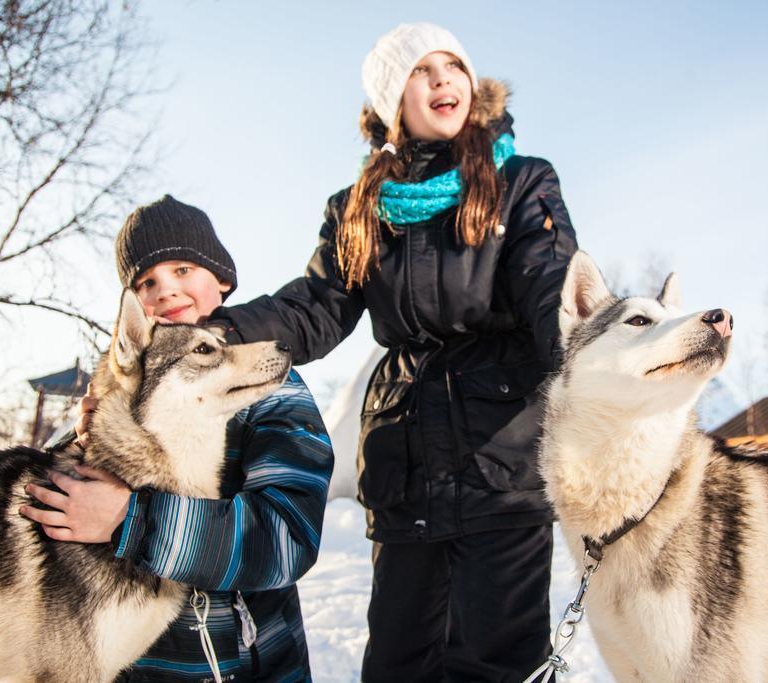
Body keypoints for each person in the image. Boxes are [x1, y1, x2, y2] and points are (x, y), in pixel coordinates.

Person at [208, 23, 578, 682]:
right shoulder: (359, 208)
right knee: (398, 664)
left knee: (495, 664)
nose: (442, 79)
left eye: (453, 66)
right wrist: (217, 335)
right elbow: (314, 308)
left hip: (503, 460)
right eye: (420, 70)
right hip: (403, 467)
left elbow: (552, 290)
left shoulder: (521, 182)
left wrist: (592, 357)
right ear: (389, 101)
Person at [19, 195, 334, 682]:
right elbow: (61, 514)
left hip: (245, 666)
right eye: (146, 282)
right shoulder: (121, 397)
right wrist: (94, 445)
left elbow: (287, 538)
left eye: (183, 269)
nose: (166, 290)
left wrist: (132, 519)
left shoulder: (268, 388)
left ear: (222, 280)